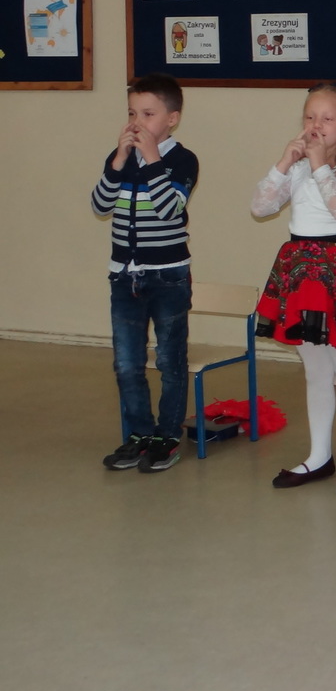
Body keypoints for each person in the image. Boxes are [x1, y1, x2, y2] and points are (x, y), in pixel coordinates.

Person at [251, 82, 336, 497]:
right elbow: (260, 206)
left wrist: (320, 165)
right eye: (310, 117)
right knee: (315, 371)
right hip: (300, 271)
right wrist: (284, 163)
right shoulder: (298, 169)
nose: (316, 125)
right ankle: (319, 454)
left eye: (327, 118)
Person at [92, 73, 200, 473]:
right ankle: (139, 434)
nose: (137, 123)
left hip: (167, 276)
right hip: (124, 277)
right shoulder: (120, 159)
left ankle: (167, 436)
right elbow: (100, 205)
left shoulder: (182, 160)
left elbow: (169, 209)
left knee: (170, 361)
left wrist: (152, 159)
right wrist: (118, 162)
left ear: (172, 119)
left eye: (148, 114)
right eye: (131, 113)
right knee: (127, 364)